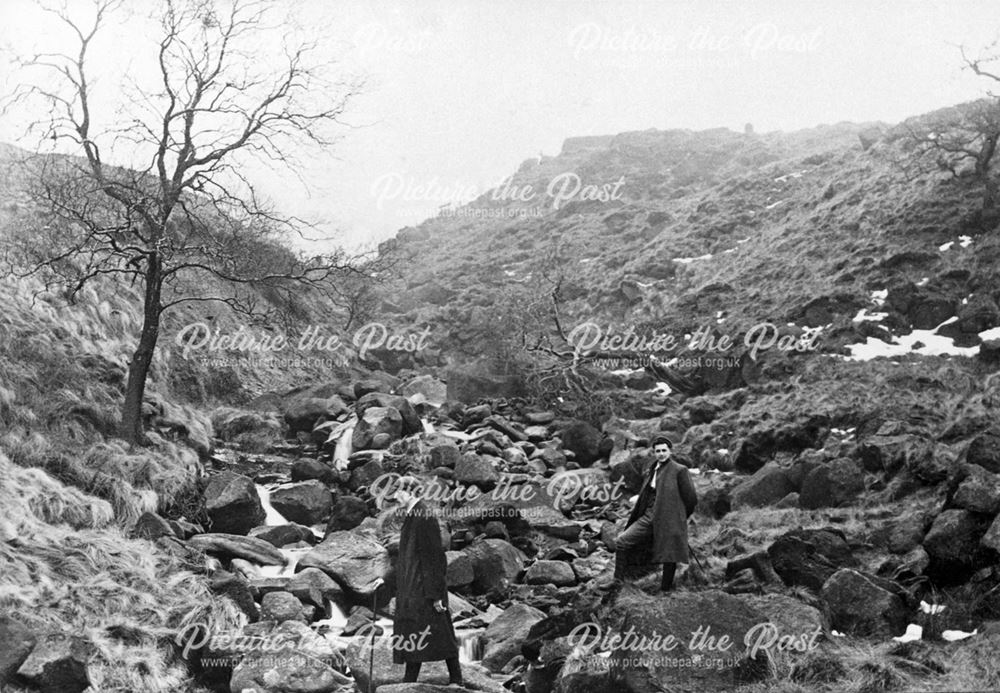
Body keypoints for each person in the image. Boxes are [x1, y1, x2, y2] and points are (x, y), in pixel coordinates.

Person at [391, 476, 464, 686]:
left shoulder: (424, 516)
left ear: (410, 492)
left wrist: (436, 595)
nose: (395, 496)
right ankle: (410, 680)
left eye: (399, 492)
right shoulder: (414, 514)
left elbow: (434, 558)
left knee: (441, 631)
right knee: (415, 632)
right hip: (413, 589)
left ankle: (456, 679)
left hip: (424, 589)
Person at [614, 435, 698, 592]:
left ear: (670, 451)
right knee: (622, 541)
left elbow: (691, 498)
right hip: (648, 516)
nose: (661, 454)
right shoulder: (652, 469)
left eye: (664, 451)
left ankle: (665, 589)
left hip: (669, 518)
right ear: (654, 452)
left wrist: (680, 517)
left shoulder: (680, 470)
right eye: (658, 451)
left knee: (669, 554)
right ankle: (617, 581)